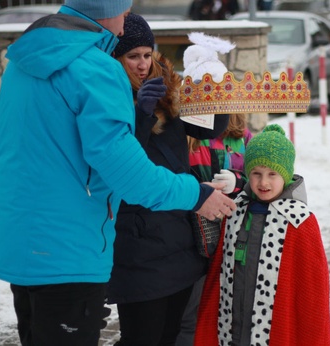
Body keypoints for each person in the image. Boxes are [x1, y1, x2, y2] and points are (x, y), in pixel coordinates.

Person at [0, 1, 235, 345]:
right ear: (105, 10)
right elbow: (129, 174)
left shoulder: (26, 59)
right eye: (123, 11)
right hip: (70, 250)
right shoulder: (94, 69)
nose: (124, 23)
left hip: (24, 242)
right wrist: (197, 194)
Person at [106, 13, 230, 345]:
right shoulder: (107, 97)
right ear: (116, 57)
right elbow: (122, 162)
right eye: (133, 56)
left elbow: (209, 129)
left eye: (148, 54)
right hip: (138, 244)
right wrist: (140, 117)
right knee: (141, 337)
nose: (143, 64)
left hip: (178, 238)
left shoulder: (166, 90)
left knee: (171, 334)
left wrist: (214, 88)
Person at [194, 124, 330, 345]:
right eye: (256, 174)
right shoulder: (235, 210)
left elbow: (312, 290)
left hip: (275, 325)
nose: (263, 182)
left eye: (272, 174)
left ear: (285, 176)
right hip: (232, 320)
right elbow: (219, 269)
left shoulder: (299, 220)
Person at [176, 113, 253, 345]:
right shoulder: (183, 131)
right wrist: (196, 190)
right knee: (189, 312)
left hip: (231, 237)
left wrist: (237, 181)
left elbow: (259, 180)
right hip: (188, 237)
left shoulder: (242, 137)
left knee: (229, 309)